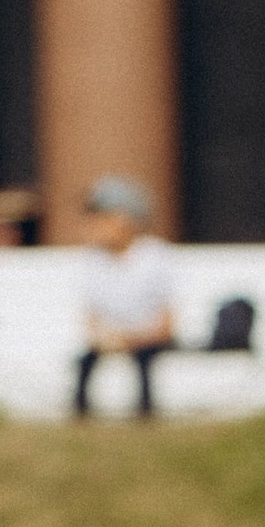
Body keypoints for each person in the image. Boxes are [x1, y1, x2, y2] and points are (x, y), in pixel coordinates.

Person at [72, 175, 178, 417]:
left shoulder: (154, 257)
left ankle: (145, 412)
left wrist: (137, 337)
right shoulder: (93, 260)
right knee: (86, 360)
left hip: (147, 338)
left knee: (144, 359)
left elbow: (167, 319)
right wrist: (103, 337)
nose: (95, 226)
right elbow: (91, 314)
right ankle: (81, 412)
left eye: (103, 218)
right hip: (112, 336)